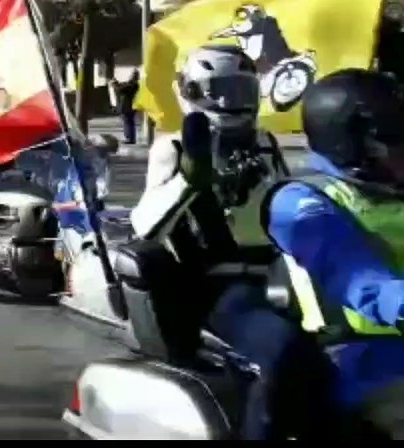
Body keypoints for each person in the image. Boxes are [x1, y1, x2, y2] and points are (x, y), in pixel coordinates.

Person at [219, 68, 404, 438]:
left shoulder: (392, 186)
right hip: (363, 363)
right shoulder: (303, 203)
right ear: (357, 146)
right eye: (398, 140)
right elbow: (357, 277)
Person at [139, 45, 288, 212]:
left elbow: (290, 199)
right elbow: (146, 217)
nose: (227, 101)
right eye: (216, 90)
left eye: (239, 90)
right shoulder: (173, 147)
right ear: (191, 91)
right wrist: (187, 180)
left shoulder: (264, 142)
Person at [108, 69, 142, 145]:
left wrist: (115, 85)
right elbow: (122, 86)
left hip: (128, 107)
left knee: (128, 122)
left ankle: (130, 139)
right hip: (128, 106)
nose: (130, 76)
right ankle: (129, 138)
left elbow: (121, 89)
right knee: (128, 122)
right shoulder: (132, 84)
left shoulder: (133, 85)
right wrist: (116, 83)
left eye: (132, 74)